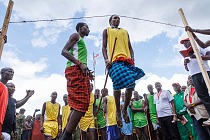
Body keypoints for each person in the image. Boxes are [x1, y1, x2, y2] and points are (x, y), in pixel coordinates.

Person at [102, 14, 145, 127]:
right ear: (110, 21)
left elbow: (130, 47)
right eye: (114, 18)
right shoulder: (106, 31)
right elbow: (103, 47)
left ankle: (124, 109)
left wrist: (132, 58)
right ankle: (117, 111)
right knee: (117, 83)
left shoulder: (125, 32)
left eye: (118, 18)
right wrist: (106, 60)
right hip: (114, 61)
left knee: (131, 83)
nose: (117, 19)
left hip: (126, 61)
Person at [61, 22, 93, 140]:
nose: (89, 29)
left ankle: (65, 134)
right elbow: (64, 51)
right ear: (80, 28)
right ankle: (66, 136)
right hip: (74, 69)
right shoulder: (76, 36)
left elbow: (81, 60)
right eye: (87, 27)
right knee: (81, 103)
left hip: (79, 70)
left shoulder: (82, 42)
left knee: (79, 105)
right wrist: (80, 64)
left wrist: (87, 71)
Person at [181, 37, 210, 125]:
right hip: (194, 75)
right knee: (203, 95)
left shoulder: (199, 47)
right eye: (184, 44)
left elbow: (209, 56)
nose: (185, 44)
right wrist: (185, 64)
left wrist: (197, 56)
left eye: (186, 42)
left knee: (209, 91)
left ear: (191, 41)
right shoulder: (186, 55)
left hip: (204, 72)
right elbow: (187, 69)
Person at [184, 75, 210, 140]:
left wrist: (192, 105)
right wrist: (188, 107)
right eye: (189, 78)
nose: (190, 80)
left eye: (191, 78)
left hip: (203, 113)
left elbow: (204, 98)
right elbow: (184, 100)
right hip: (193, 114)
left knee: (208, 132)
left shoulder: (200, 85)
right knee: (201, 135)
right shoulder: (187, 89)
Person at [0, 67, 14, 140]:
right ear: (2, 73)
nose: (12, 73)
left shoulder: (5, 89)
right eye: (9, 71)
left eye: (13, 72)